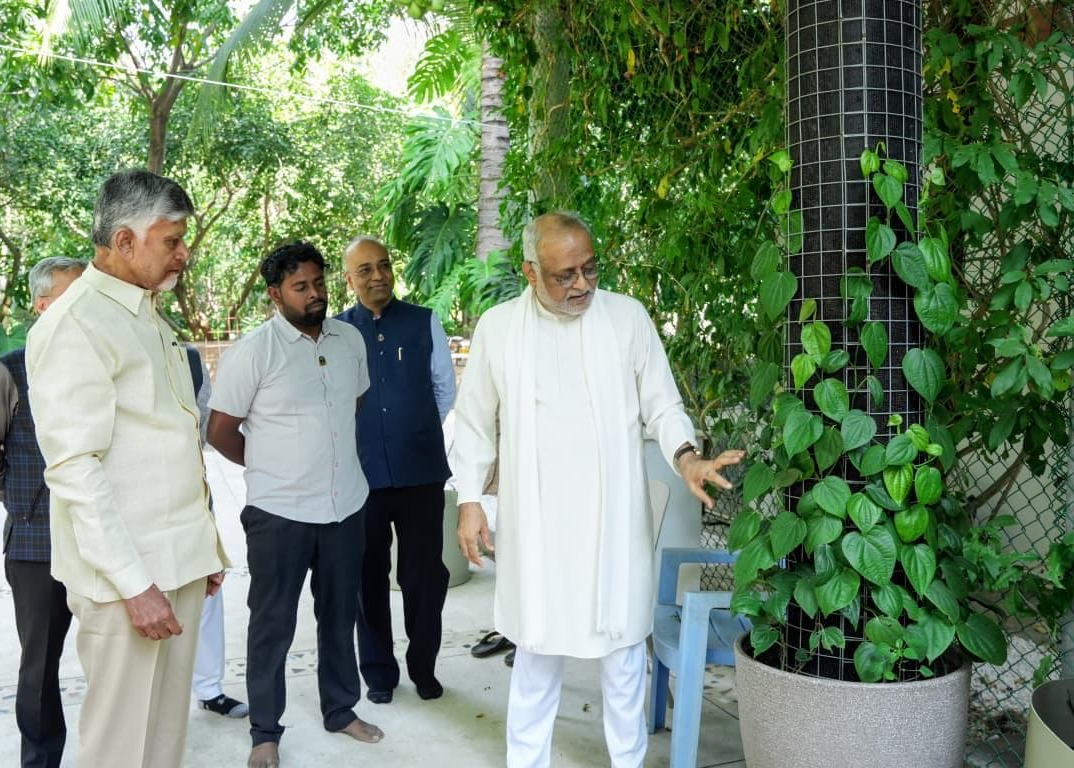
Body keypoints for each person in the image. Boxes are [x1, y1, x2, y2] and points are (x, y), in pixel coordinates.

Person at [454, 211, 745, 767]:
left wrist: (685, 457)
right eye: (566, 275)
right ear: (531, 272)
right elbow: (472, 423)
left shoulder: (626, 318)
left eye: (590, 269)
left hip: (612, 523)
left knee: (622, 658)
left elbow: (662, 401)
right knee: (536, 656)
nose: (582, 284)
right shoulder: (498, 328)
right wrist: (470, 500)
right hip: (537, 528)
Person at [26, 169, 229, 768]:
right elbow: (74, 469)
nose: (183, 253)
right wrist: (135, 585)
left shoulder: (143, 312)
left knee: (163, 743)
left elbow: (167, 445)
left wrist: (204, 548)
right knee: (118, 749)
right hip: (128, 583)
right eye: (171, 241)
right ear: (123, 241)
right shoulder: (77, 323)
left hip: (177, 566)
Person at [207, 241, 382, 768]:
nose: (314, 295)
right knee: (273, 623)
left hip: (345, 506)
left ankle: (340, 709)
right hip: (279, 514)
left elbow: (353, 403)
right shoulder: (255, 350)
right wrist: (272, 466)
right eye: (300, 287)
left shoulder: (349, 339)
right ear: (275, 293)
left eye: (319, 284)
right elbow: (219, 430)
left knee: (339, 615)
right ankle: (265, 731)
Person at [0, 256, 85, 768]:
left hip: (104, 543)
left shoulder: (104, 366)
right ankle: (41, 762)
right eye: (71, 295)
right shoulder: (9, 371)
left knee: (116, 659)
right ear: (41, 305)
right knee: (39, 666)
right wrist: (26, 503)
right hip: (37, 549)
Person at [335, 237, 455, 704]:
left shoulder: (424, 322)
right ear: (349, 280)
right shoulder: (338, 331)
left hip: (421, 473)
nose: (377, 276)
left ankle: (424, 668)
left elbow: (444, 390)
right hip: (360, 478)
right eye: (364, 270)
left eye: (383, 265)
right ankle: (379, 674)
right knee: (367, 577)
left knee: (425, 576)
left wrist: (412, 431)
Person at [185, 345, 249, 719]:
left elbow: (208, 427)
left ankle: (209, 689)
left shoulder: (189, 358)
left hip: (194, 496)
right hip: (136, 505)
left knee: (207, 593)